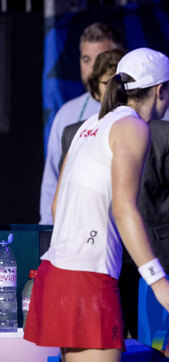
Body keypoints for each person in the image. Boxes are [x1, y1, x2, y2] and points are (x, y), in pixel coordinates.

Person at [24, 47, 169, 362]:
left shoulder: (89, 125)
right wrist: (158, 282)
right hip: (87, 277)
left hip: (58, 271)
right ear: (161, 90)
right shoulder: (133, 127)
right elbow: (124, 209)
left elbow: (56, 207)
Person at [39, 22, 125, 225]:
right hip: (80, 232)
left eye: (101, 59)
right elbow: (52, 179)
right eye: (86, 59)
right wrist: (47, 230)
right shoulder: (67, 114)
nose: (93, 68)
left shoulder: (146, 108)